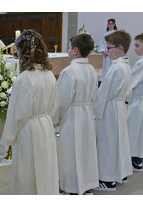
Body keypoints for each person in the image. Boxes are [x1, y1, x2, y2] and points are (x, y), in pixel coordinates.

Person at [0, 29, 59, 195]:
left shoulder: (24, 78)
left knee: (27, 172)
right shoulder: (49, 75)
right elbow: (53, 104)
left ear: (23, 53)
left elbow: (16, 113)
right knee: (45, 169)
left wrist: (10, 136)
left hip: (28, 128)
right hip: (45, 125)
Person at [50, 34, 99, 195]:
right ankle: (86, 184)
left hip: (73, 115)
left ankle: (72, 187)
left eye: (69, 48)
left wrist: (53, 120)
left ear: (76, 50)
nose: (68, 51)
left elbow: (62, 101)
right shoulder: (91, 68)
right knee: (85, 150)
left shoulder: (69, 71)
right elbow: (94, 94)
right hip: (87, 112)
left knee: (71, 151)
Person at [93, 30, 133, 191]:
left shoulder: (116, 68)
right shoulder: (125, 65)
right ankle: (120, 173)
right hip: (119, 107)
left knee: (107, 143)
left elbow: (103, 93)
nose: (107, 52)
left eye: (109, 48)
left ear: (120, 48)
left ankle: (108, 180)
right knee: (119, 141)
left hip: (109, 108)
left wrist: (94, 111)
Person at [126, 32, 143, 172]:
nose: (135, 49)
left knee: (133, 132)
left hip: (138, 100)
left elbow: (131, 83)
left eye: (137, 46)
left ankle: (134, 160)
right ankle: (138, 159)